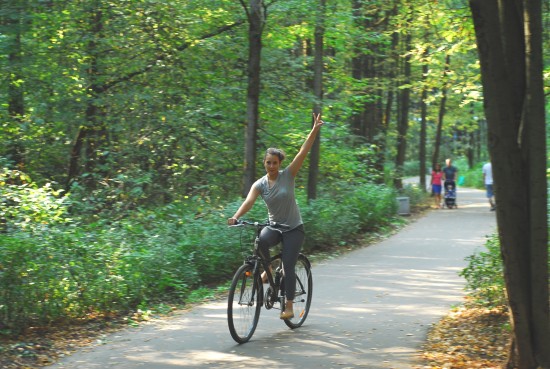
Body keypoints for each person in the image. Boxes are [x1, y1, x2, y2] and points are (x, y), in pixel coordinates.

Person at [227, 112, 324, 319]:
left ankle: (288, 305)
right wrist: (235, 217)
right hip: (275, 226)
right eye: (268, 162)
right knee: (260, 240)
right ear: (264, 163)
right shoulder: (260, 184)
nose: (271, 166)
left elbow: (303, 152)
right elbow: (249, 201)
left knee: (288, 265)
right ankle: (268, 270)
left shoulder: (288, 176)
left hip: (294, 229)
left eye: (275, 163)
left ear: (279, 164)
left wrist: (314, 130)